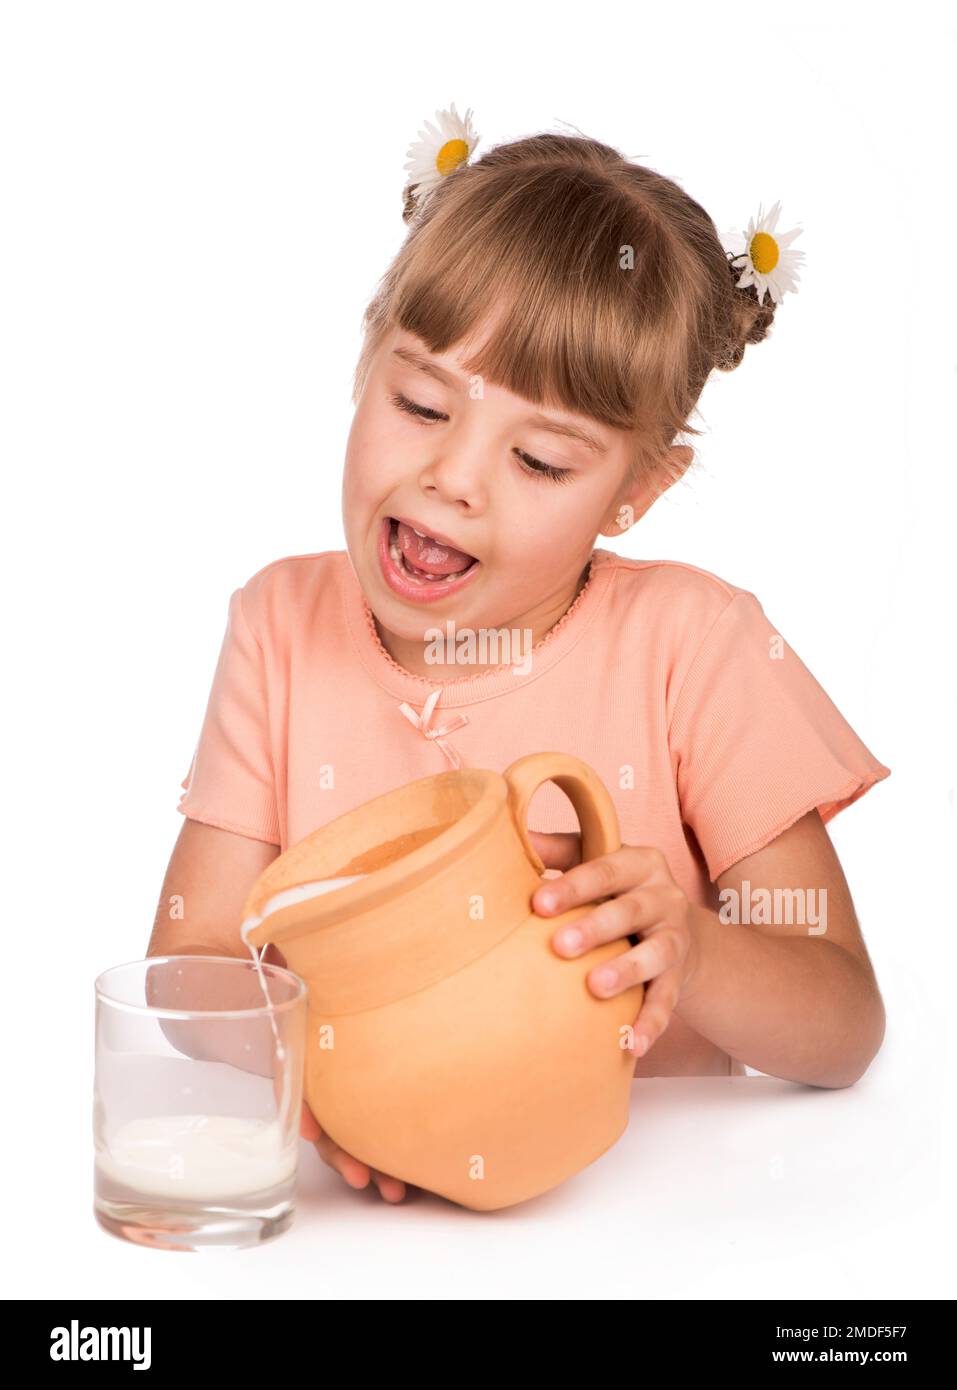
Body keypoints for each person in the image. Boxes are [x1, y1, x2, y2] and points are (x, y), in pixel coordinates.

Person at [149, 106, 890, 1203]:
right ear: (365, 363)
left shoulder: (696, 643)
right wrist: (321, 1079)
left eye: (541, 461)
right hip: (365, 1249)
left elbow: (845, 1021)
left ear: (639, 491)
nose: (455, 478)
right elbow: (192, 965)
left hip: (679, 1217)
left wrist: (688, 943)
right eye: (419, 402)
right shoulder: (279, 624)